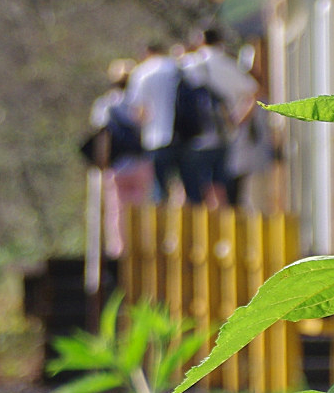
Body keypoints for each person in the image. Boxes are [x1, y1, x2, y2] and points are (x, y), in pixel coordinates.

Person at [180, 24, 262, 207]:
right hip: (227, 137)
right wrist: (237, 120)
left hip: (194, 138)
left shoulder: (186, 65)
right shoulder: (226, 63)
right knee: (227, 191)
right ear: (220, 41)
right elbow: (254, 93)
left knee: (196, 194)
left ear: (199, 41)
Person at [89, 58, 142, 256]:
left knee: (116, 210)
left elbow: (102, 135)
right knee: (141, 208)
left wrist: (101, 163)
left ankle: (119, 250)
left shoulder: (105, 104)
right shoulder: (139, 103)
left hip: (117, 165)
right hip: (140, 161)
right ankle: (140, 248)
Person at [126, 40, 183, 202]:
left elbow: (139, 110)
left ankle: (164, 224)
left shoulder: (142, 72)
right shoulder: (176, 67)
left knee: (159, 187)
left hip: (156, 136)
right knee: (186, 185)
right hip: (183, 134)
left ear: (147, 52)